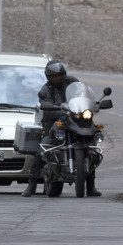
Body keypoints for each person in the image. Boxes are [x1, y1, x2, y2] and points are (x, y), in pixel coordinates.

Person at [21, 60, 102, 197]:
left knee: (90, 146)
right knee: (43, 148)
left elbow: (82, 94)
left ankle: (91, 186)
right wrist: (53, 108)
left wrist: (91, 105)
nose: (58, 78)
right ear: (49, 77)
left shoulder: (71, 81)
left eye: (60, 75)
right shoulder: (46, 89)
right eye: (54, 76)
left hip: (75, 119)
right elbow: (44, 104)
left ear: (64, 74)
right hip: (54, 121)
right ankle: (31, 185)